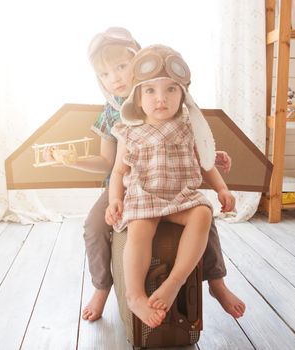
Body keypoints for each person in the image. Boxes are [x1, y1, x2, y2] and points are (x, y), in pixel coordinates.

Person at [45, 28, 245, 323]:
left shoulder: (164, 90)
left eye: (121, 67)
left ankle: (216, 282)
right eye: (104, 74)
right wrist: (73, 162)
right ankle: (103, 287)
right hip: (128, 186)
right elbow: (109, 164)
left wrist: (212, 156)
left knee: (206, 217)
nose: (114, 78)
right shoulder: (112, 113)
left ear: (140, 60)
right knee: (93, 226)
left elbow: (187, 142)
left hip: (171, 181)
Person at [105, 44, 238, 328]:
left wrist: (222, 188)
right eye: (150, 90)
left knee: (202, 213)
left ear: (183, 95)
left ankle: (175, 282)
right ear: (138, 98)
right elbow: (118, 171)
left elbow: (206, 161)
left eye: (171, 90)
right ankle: (135, 295)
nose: (161, 98)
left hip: (181, 197)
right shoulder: (130, 130)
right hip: (145, 195)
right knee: (140, 229)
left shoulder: (189, 125)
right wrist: (114, 199)